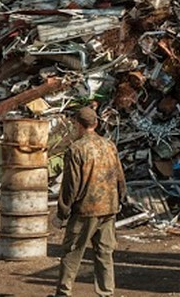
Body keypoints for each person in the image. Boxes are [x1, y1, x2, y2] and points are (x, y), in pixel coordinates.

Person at [54, 106, 127, 297]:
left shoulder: (76, 149)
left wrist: (62, 212)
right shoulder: (110, 145)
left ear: (78, 124)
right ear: (95, 123)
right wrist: (121, 198)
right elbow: (120, 177)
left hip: (86, 209)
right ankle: (106, 292)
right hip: (109, 208)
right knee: (104, 253)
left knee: (72, 252)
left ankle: (63, 293)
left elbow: (71, 185)